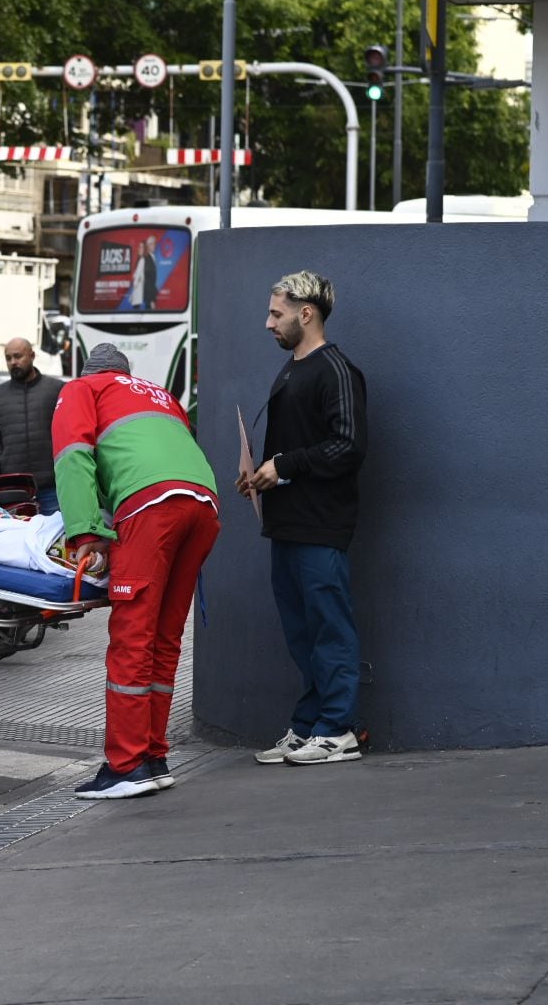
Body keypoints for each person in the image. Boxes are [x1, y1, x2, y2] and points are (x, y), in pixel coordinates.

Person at [54, 343, 220, 799]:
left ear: (92, 371)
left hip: (151, 506)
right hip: (203, 503)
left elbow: (73, 457)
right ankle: (153, 756)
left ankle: (126, 765)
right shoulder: (160, 395)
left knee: (132, 634)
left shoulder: (82, 388)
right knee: (164, 637)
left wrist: (85, 533)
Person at [235, 270, 368, 766]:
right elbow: (297, 448)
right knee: (301, 633)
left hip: (320, 525)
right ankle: (310, 725)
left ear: (305, 313)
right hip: (288, 523)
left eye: (276, 313)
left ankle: (338, 731)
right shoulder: (292, 368)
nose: (268, 323)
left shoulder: (335, 369)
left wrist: (283, 466)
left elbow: (349, 446)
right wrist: (259, 475)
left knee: (328, 628)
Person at [0, 337, 66, 515]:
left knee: (57, 541)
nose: (13, 362)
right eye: (8, 358)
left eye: (18, 356)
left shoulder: (56, 389)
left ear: (32, 355)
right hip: (15, 490)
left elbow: (70, 429)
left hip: (53, 487)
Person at [130, 236, 158, 309]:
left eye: (154, 243)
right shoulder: (145, 259)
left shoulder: (146, 258)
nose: (154, 245)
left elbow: (149, 279)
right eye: (151, 244)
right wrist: (151, 299)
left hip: (142, 296)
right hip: (142, 296)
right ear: (147, 246)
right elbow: (148, 280)